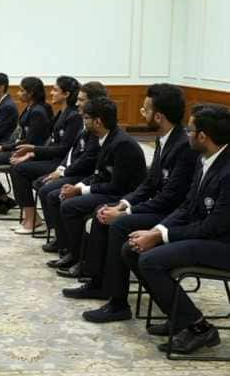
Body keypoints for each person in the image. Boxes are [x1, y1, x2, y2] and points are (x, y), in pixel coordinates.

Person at [65, 84, 197, 323]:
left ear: (158, 116)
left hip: (173, 215)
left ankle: (118, 303)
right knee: (104, 213)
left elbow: (170, 197)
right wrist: (122, 205)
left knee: (119, 225)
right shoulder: (164, 139)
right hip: (158, 208)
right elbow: (148, 185)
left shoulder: (183, 147)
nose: (140, 112)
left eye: (144, 109)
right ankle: (98, 282)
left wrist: (127, 213)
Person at [122, 104, 230, 355]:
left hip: (223, 244)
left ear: (203, 136)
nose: (187, 133)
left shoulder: (227, 172)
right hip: (207, 236)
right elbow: (187, 206)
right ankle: (180, 317)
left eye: (190, 129)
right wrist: (156, 230)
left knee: (149, 260)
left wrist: (160, 236)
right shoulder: (207, 159)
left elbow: (214, 226)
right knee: (131, 249)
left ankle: (199, 328)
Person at [47, 96, 147, 278]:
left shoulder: (121, 143)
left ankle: (82, 260)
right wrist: (77, 186)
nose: (83, 121)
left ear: (98, 121)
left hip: (123, 195)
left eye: (86, 118)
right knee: (64, 198)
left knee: (70, 206)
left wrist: (81, 191)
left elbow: (117, 186)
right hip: (110, 189)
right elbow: (99, 174)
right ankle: (74, 253)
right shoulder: (106, 138)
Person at [38, 82, 107, 253]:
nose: (77, 104)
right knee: (43, 184)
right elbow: (71, 151)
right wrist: (59, 170)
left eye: (81, 100)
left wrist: (63, 173)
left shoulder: (98, 127)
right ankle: (60, 235)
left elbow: (88, 160)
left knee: (51, 192)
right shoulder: (84, 123)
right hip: (74, 170)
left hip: (85, 174)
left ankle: (67, 242)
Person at [7, 76, 82, 233]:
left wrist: (33, 149)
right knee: (18, 166)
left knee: (20, 169)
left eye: (55, 90)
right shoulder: (62, 112)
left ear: (66, 94)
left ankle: (33, 219)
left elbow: (63, 149)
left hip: (61, 163)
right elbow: (51, 142)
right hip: (53, 158)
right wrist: (31, 154)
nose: (51, 93)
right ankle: (31, 217)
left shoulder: (73, 116)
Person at [0, 76, 53, 214]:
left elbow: (31, 142)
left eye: (22, 90)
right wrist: (6, 146)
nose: (18, 93)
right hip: (20, 148)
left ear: (31, 93)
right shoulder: (31, 107)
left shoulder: (38, 112)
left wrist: (6, 147)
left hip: (30, 153)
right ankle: (2, 198)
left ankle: (2, 199)